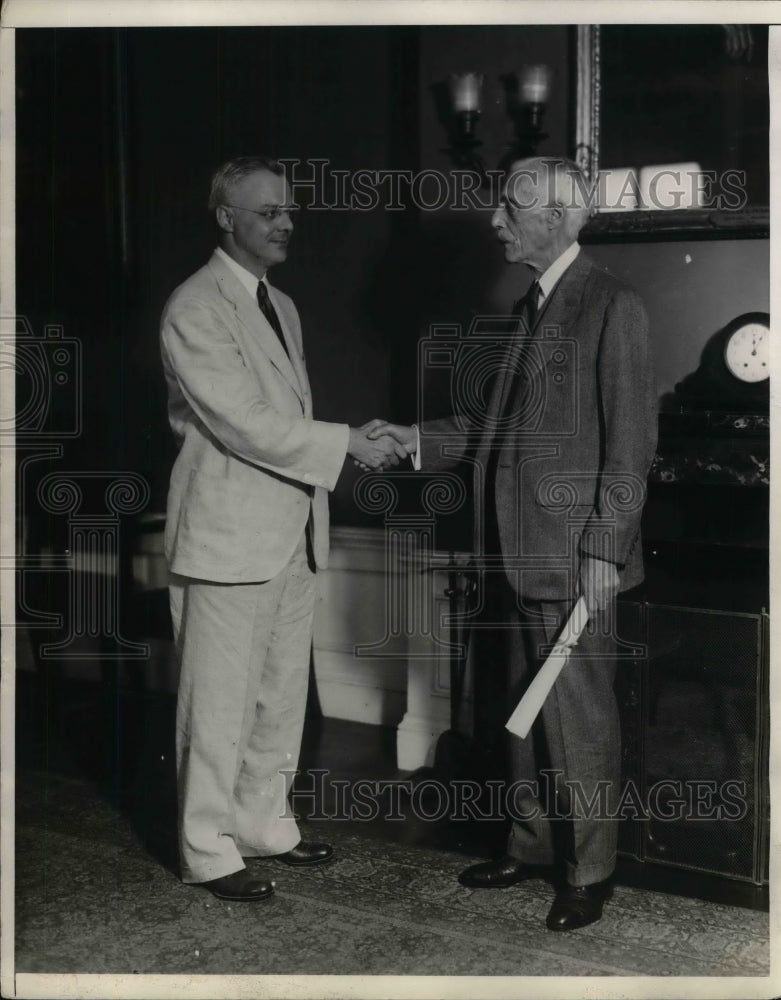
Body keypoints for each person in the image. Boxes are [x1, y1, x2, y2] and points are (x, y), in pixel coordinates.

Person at [368, 156, 657, 931]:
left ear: (557, 218)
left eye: (508, 208)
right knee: (520, 713)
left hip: (574, 558)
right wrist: (415, 440)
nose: (495, 220)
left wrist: (602, 549)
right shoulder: (532, 306)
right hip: (515, 550)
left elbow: (630, 448)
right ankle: (529, 845)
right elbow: (491, 432)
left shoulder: (610, 304)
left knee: (578, 721)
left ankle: (588, 872)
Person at [160, 155, 405, 902]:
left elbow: (282, 421)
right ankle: (206, 847)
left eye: (289, 210)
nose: (285, 222)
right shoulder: (194, 307)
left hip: (293, 530)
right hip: (228, 535)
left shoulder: (280, 304)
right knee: (217, 701)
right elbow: (245, 424)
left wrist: (345, 441)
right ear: (226, 218)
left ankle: (263, 823)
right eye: (267, 212)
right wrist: (347, 444)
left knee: (276, 694)